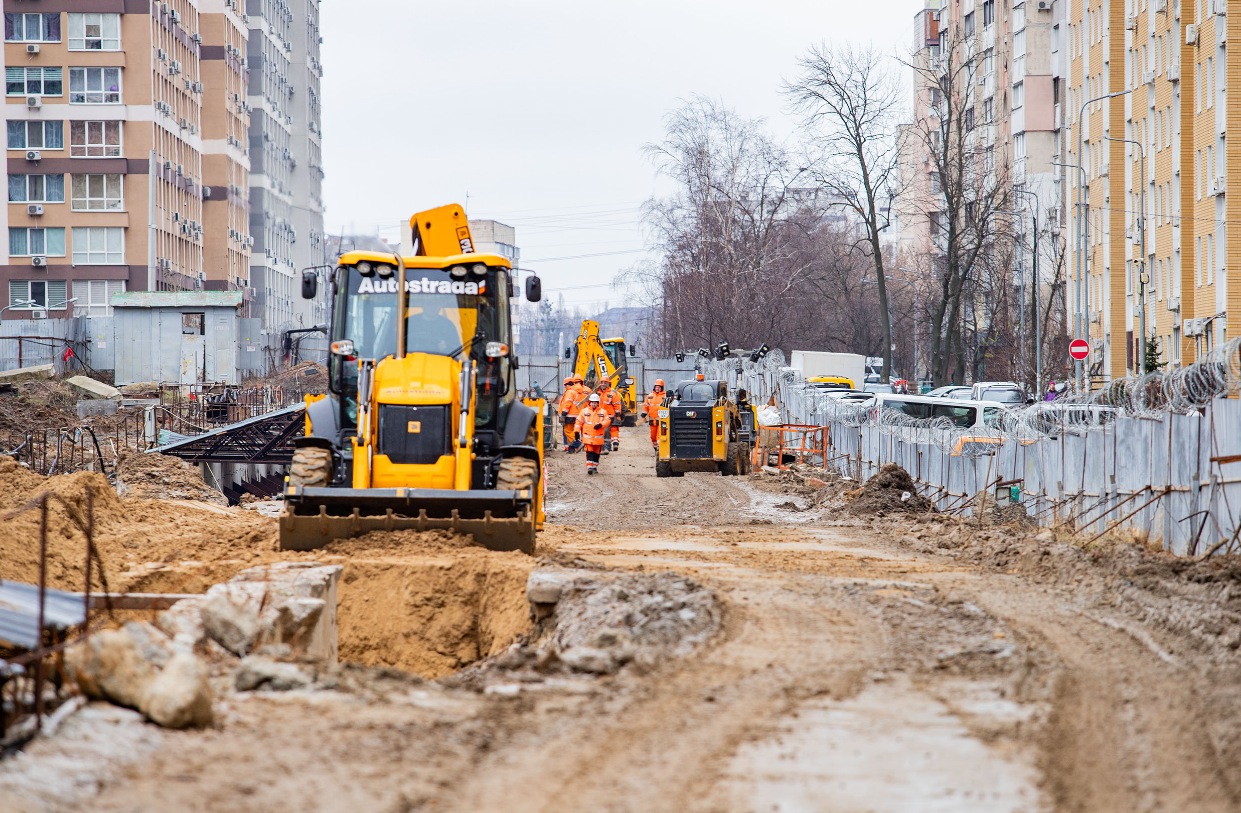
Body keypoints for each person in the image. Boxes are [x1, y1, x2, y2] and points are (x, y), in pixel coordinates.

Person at [574, 393, 612, 475]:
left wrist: (601, 424)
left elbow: (608, 421)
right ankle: (589, 467)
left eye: (595, 402)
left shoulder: (603, 412)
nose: (594, 404)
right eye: (592, 402)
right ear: (589, 402)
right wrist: (576, 432)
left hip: (598, 438)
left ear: (598, 403)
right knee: (589, 452)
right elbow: (578, 422)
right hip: (588, 437)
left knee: (596, 453)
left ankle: (594, 467)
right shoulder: (584, 411)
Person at [597, 377, 622, 451]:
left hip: (610, 416)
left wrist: (618, 416)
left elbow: (617, 405)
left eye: (605, 383)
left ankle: (608, 446)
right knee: (605, 431)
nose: (603, 384)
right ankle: (611, 444)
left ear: (608, 383)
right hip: (600, 416)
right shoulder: (598, 393)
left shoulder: (613, 393)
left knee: (608, 431)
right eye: (602, 382)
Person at [643, 379, 666, 450]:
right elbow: (646, 406)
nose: (657, 388)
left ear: (662, 388)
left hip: (661, 420)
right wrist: (643, 414)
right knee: (653, 436)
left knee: (659, 435)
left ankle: (660, 447)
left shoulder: (665, 397)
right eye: (656, 387)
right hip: (652, 420)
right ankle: (655, 447)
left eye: (659, 387)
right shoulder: (649, 396)